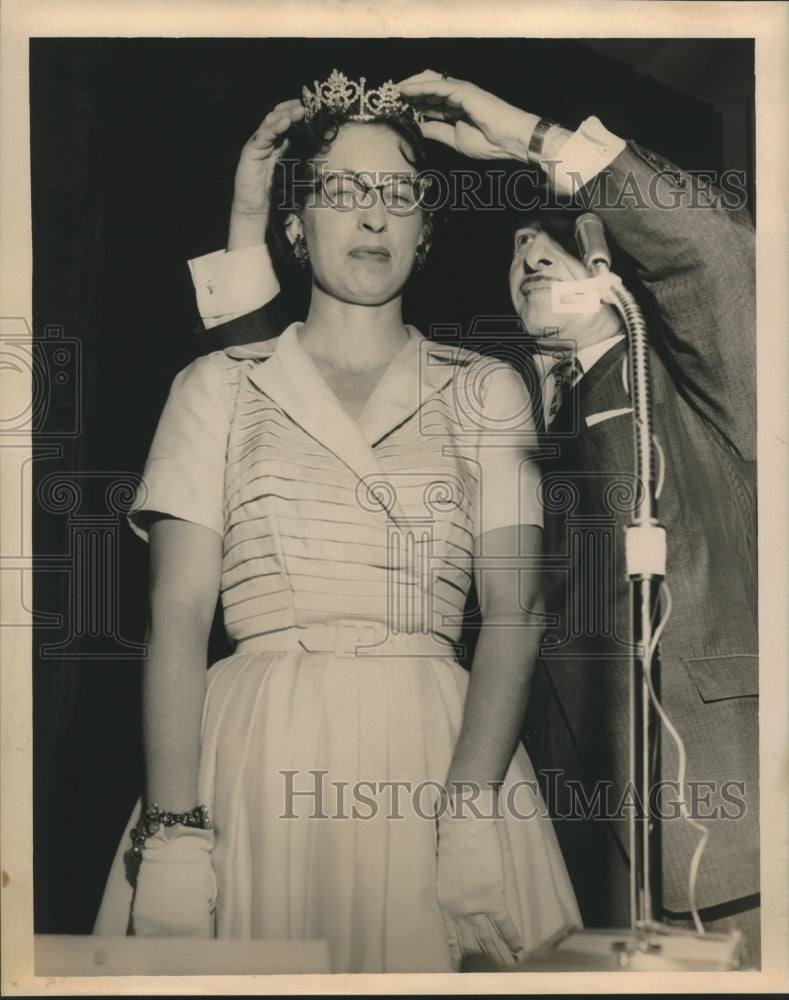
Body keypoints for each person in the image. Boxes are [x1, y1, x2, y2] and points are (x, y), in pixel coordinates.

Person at [194, 71, 759, 966]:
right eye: (515, 245)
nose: (531, 250)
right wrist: (246, 213)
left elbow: (718, 257)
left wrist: (529, 139)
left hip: (723, 847)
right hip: (564, 845)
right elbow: (276, 397)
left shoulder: (710, 394)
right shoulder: (487, 402)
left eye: (556, 239)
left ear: (620, 269)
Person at [94, 73, 581, 974]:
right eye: (342, 193)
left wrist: (472, 809)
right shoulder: (215, 388)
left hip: (442, 757)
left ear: (425, 230)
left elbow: (515, 610)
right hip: (249, 761)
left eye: (397, 195)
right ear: (294, 225)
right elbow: (176, 621)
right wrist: (172, 829)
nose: (372, 217)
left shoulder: (487, 389)